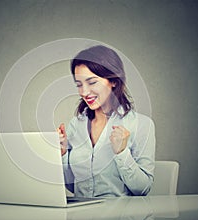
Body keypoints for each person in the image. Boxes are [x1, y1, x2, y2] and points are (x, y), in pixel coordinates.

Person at [57, 45, 155, 197]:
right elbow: (72, 187)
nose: (84, 92)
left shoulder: (141, 125)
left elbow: (143, 189)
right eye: (79, 85)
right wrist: (62, 154)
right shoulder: (75, 125)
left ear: (113, 81)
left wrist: (122, 153)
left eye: (92, 82)